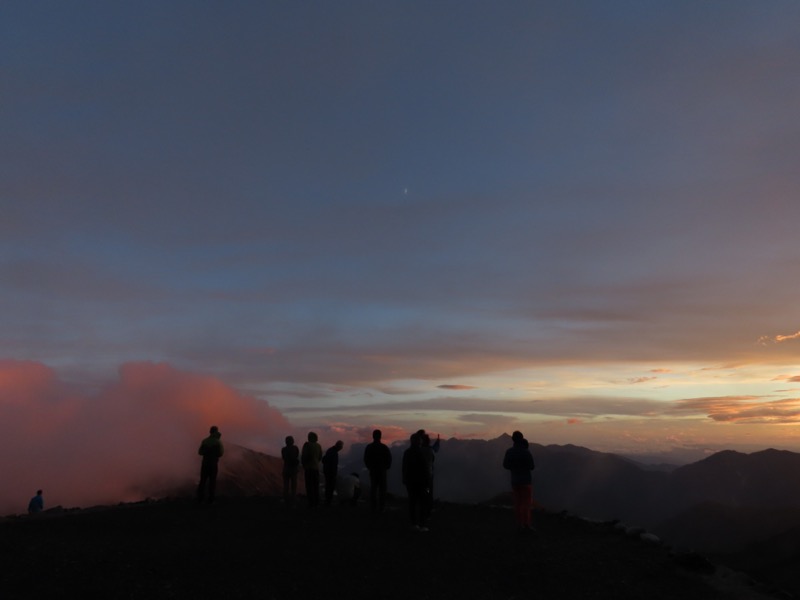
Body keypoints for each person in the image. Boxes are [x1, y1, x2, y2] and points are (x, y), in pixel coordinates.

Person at [502, 430, 535, 532]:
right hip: (525, 481)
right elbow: (532, 466)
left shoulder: (509, 452)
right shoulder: (526, 452)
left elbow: (505, 465)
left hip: (515, 481)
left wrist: (514, 466)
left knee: (518, 504)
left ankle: (519, 525)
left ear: (513, 439)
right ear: (522, 439)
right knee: (526, 504)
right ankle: (526, 525)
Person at [402, 433, 432, 531]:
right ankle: (422, 524)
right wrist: (428, 482)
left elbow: (404, 468)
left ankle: (414, 523)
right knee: (423, 502)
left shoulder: (407, 453)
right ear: (419, 442)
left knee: (412, 502)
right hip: (421, 482)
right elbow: (425, 468)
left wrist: (405, 479)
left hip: (410, 482)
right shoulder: (421, 453)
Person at [363, 429, 392, 512]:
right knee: (382, 489)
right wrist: (386, 467)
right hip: (382, 471)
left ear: (373, 436)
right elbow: (389, 459)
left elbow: (366, 459)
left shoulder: (369, 447)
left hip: (373, 471)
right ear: (380, 436)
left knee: (373, 489)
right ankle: (381, 507)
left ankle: (373, 507)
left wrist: (370, 467)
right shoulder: (384, 447)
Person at [197, 425, 224, 503]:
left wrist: (206, 453)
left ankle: (200, 498)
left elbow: (200, 452)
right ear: (216, 431)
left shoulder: (205, 441)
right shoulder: (218, 442)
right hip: (213, 464)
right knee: (212, 481)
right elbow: (221, 453)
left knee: (203, 481)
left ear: (210, 431)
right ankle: (211, 499)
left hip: (205, 464)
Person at [301, 432, 323, 508]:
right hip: (316, 468)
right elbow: (320, 457)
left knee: (309, 486)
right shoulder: (318, 446)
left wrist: (304, 465)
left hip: (309, 468)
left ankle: (311, 503)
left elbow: (304, 456)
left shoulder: (307, 445)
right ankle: (316, 502)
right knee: (316, 486)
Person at [321, 440, 344, 506]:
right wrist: (334, 474)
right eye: (341, 447)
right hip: (331, 472)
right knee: (330, 486)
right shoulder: (334, 452)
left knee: (328, 486)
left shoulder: (330, 450)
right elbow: (333, 465)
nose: (341, 448)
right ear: (339, 446)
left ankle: (327, 500)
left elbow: (324, 460)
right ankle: (328, 501)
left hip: (327, 471)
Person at [281, 435, 300, 505]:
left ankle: (285, 498)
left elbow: (283, 458)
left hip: (286, 469)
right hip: (293, 469)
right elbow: (297, 455)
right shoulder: (295, 448)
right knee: (293, 485)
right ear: (292, 441)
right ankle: (293, 498)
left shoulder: (283, 449)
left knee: (286, 485)